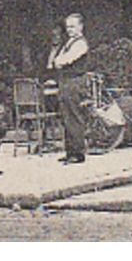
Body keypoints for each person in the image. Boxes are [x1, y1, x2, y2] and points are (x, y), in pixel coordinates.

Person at [46, 13, 90, 164]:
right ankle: (70, 151)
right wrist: (59, 61)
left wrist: (60, 61)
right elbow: (55, 61)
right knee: (66, 117)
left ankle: (78, 153)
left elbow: (64, 60)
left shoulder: (80, 43)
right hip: (66, 82)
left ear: (80, 26)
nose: (69, 30)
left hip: (74, 82)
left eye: (72, 26)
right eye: (68, 27)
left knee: (74, 116)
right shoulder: (69, 42)